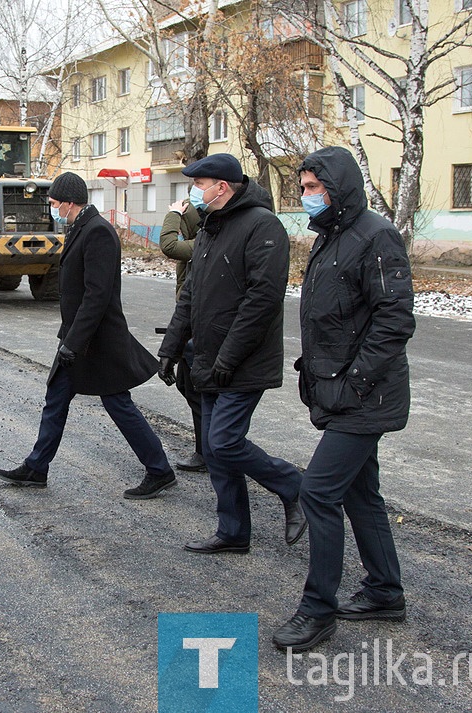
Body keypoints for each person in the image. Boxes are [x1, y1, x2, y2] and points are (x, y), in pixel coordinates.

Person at [273, 146, 415, 652]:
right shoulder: (332, 236)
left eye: (314, 187)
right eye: (304, 187)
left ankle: (318, 610)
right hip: (342, 389)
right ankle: (384, 591)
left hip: (365, 396)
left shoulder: (376, 236)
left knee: (317, 493)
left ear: (339, 186)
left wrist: (353, 382)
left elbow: (394, 320)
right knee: (360, 493)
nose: (306, 196)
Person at [0, 172, 177, 500]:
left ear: (69, 201)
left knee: (118, 403)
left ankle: (159, 470)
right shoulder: (79, 227)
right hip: (78, 337)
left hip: (97, 339)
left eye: (53, 203)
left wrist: (73, 342)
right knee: (56, 398)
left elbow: (97, 294)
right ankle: (37, 466)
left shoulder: (98, 232)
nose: (51, 208)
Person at [158, 153, 305, 553]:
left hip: (242, 360)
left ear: (222, 187)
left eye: (199, 185)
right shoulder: (210, 227)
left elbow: (263, 300)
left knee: (222, 442)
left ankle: (295, 486)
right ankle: (233, 531)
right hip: (207, 356)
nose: (194, 192)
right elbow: (191, 295)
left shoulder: (263, 226)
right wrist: (170, 347)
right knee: (215, 448)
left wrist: (227, 358)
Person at [158, 198, 205, 473]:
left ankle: (208, 452)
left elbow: (169, 246)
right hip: (188, 323)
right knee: (187, 387)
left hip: (197, 326)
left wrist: (173, 213)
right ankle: (206, 449)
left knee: (196, 390)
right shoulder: (199, 239)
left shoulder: (201, 242)